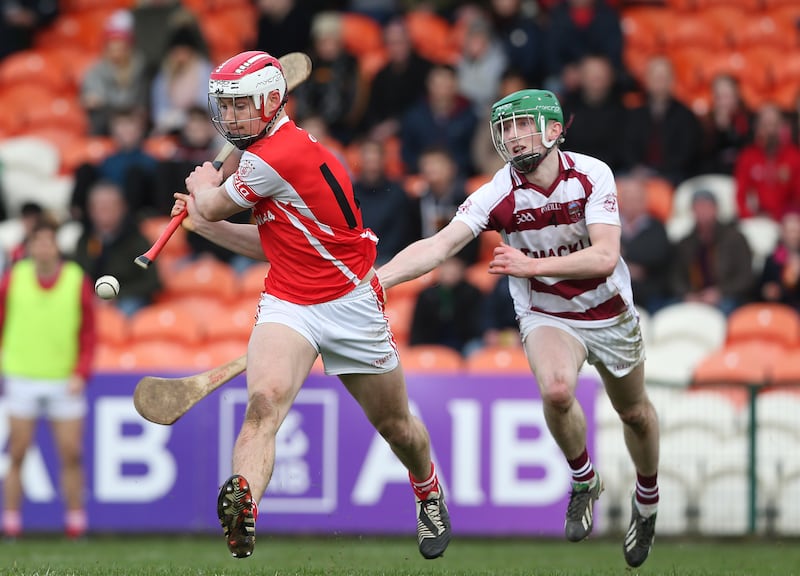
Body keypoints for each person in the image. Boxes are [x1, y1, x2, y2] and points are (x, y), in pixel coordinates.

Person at [169, 50, 451, 560]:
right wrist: (203, 223)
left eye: (239, 106)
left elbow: (212, 201)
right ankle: (245, 506)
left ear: (272, 102)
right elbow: (274, 245)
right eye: (224, 107)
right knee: (262, 406)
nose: (229, 118)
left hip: (350, 300)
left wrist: (201, 191)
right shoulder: (266, 151)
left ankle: (427, 488)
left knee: (397, 428)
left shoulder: (275, 157)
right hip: (288, 300)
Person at [378, 89, 660, 568]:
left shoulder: (592, 174)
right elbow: (441, 244)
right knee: (555, 391)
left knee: (634, 413)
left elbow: (606, 256)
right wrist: (377, 281)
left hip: (609, 310)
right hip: (548, 313)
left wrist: (528, 266)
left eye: (522, 125)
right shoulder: (498, 191)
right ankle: (584, 478)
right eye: (505, 128)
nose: (511, 136)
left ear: (554, 131)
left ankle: (647, 498)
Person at [1, 219, 96, 540]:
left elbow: (88, 332)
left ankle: (75, 520)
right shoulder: (13, 279)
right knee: (17, 452)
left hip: (63, 378)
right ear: (29, 248)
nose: (43, 248)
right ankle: (11, 520)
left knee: (71, 453)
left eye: (48, 242)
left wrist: (81, 371)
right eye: (37, 242)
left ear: (57, 246)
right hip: (21, 374)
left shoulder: (75, 280)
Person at [670, 189, 754, 316]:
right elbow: (676, 276)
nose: (703, 211)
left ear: (716, 209)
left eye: (707, 206)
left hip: (727, 296)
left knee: (726, 309)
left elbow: (746, 276)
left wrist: (720, 292)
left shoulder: (734, 238)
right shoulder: (685, 242)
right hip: (694, 295)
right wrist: (687, 294)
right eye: (698, 207)